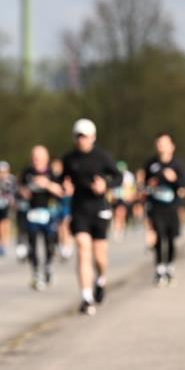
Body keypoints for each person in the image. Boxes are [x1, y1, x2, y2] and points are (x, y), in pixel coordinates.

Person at [60, 118, 121, 316]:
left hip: (100, 209)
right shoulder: (69, 159)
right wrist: (64, 187)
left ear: (93, 137)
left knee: (99, 257)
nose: (82, 140)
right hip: (79, 209)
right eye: (78, 137)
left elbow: (118, 177)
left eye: (85, 137)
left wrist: (105, 186)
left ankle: (101, 280)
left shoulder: (103, 157)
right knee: (82, 249)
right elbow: (62, 180)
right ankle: (86, 297)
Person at [143, 133, 185, 286]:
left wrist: (174, 180)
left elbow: (184, 187)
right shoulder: (151, 164)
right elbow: (145, 186)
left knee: (170, 238)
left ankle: (170, 267)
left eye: (164, 143)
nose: (161, 146)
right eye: (159, 143)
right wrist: (150, 185)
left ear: (172, 146)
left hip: (172, 207)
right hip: (156, 207)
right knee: (158, 237)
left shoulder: (178, 164)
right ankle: (159, 269)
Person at [19, 146, 64, 290]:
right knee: (32, 244)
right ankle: (35, 272)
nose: (36, 159)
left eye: (39, 156)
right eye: (34, 156)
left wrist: (47, 184)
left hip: (49, 212)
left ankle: (48, 267)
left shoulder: (52, 173)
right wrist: (25, 191)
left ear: (46, 158)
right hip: (32, 212)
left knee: (49, 242)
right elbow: (20, 189)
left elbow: (61, 192)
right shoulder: (27, 172)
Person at [110, 161, 136, 241]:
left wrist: (131, 196)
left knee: (120, 213)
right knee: (116, 214)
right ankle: (117, 228)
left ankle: (120, 229)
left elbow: (131, 187)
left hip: (124, 197)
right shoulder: (113, 174)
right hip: (115, 196)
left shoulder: (128, 176)